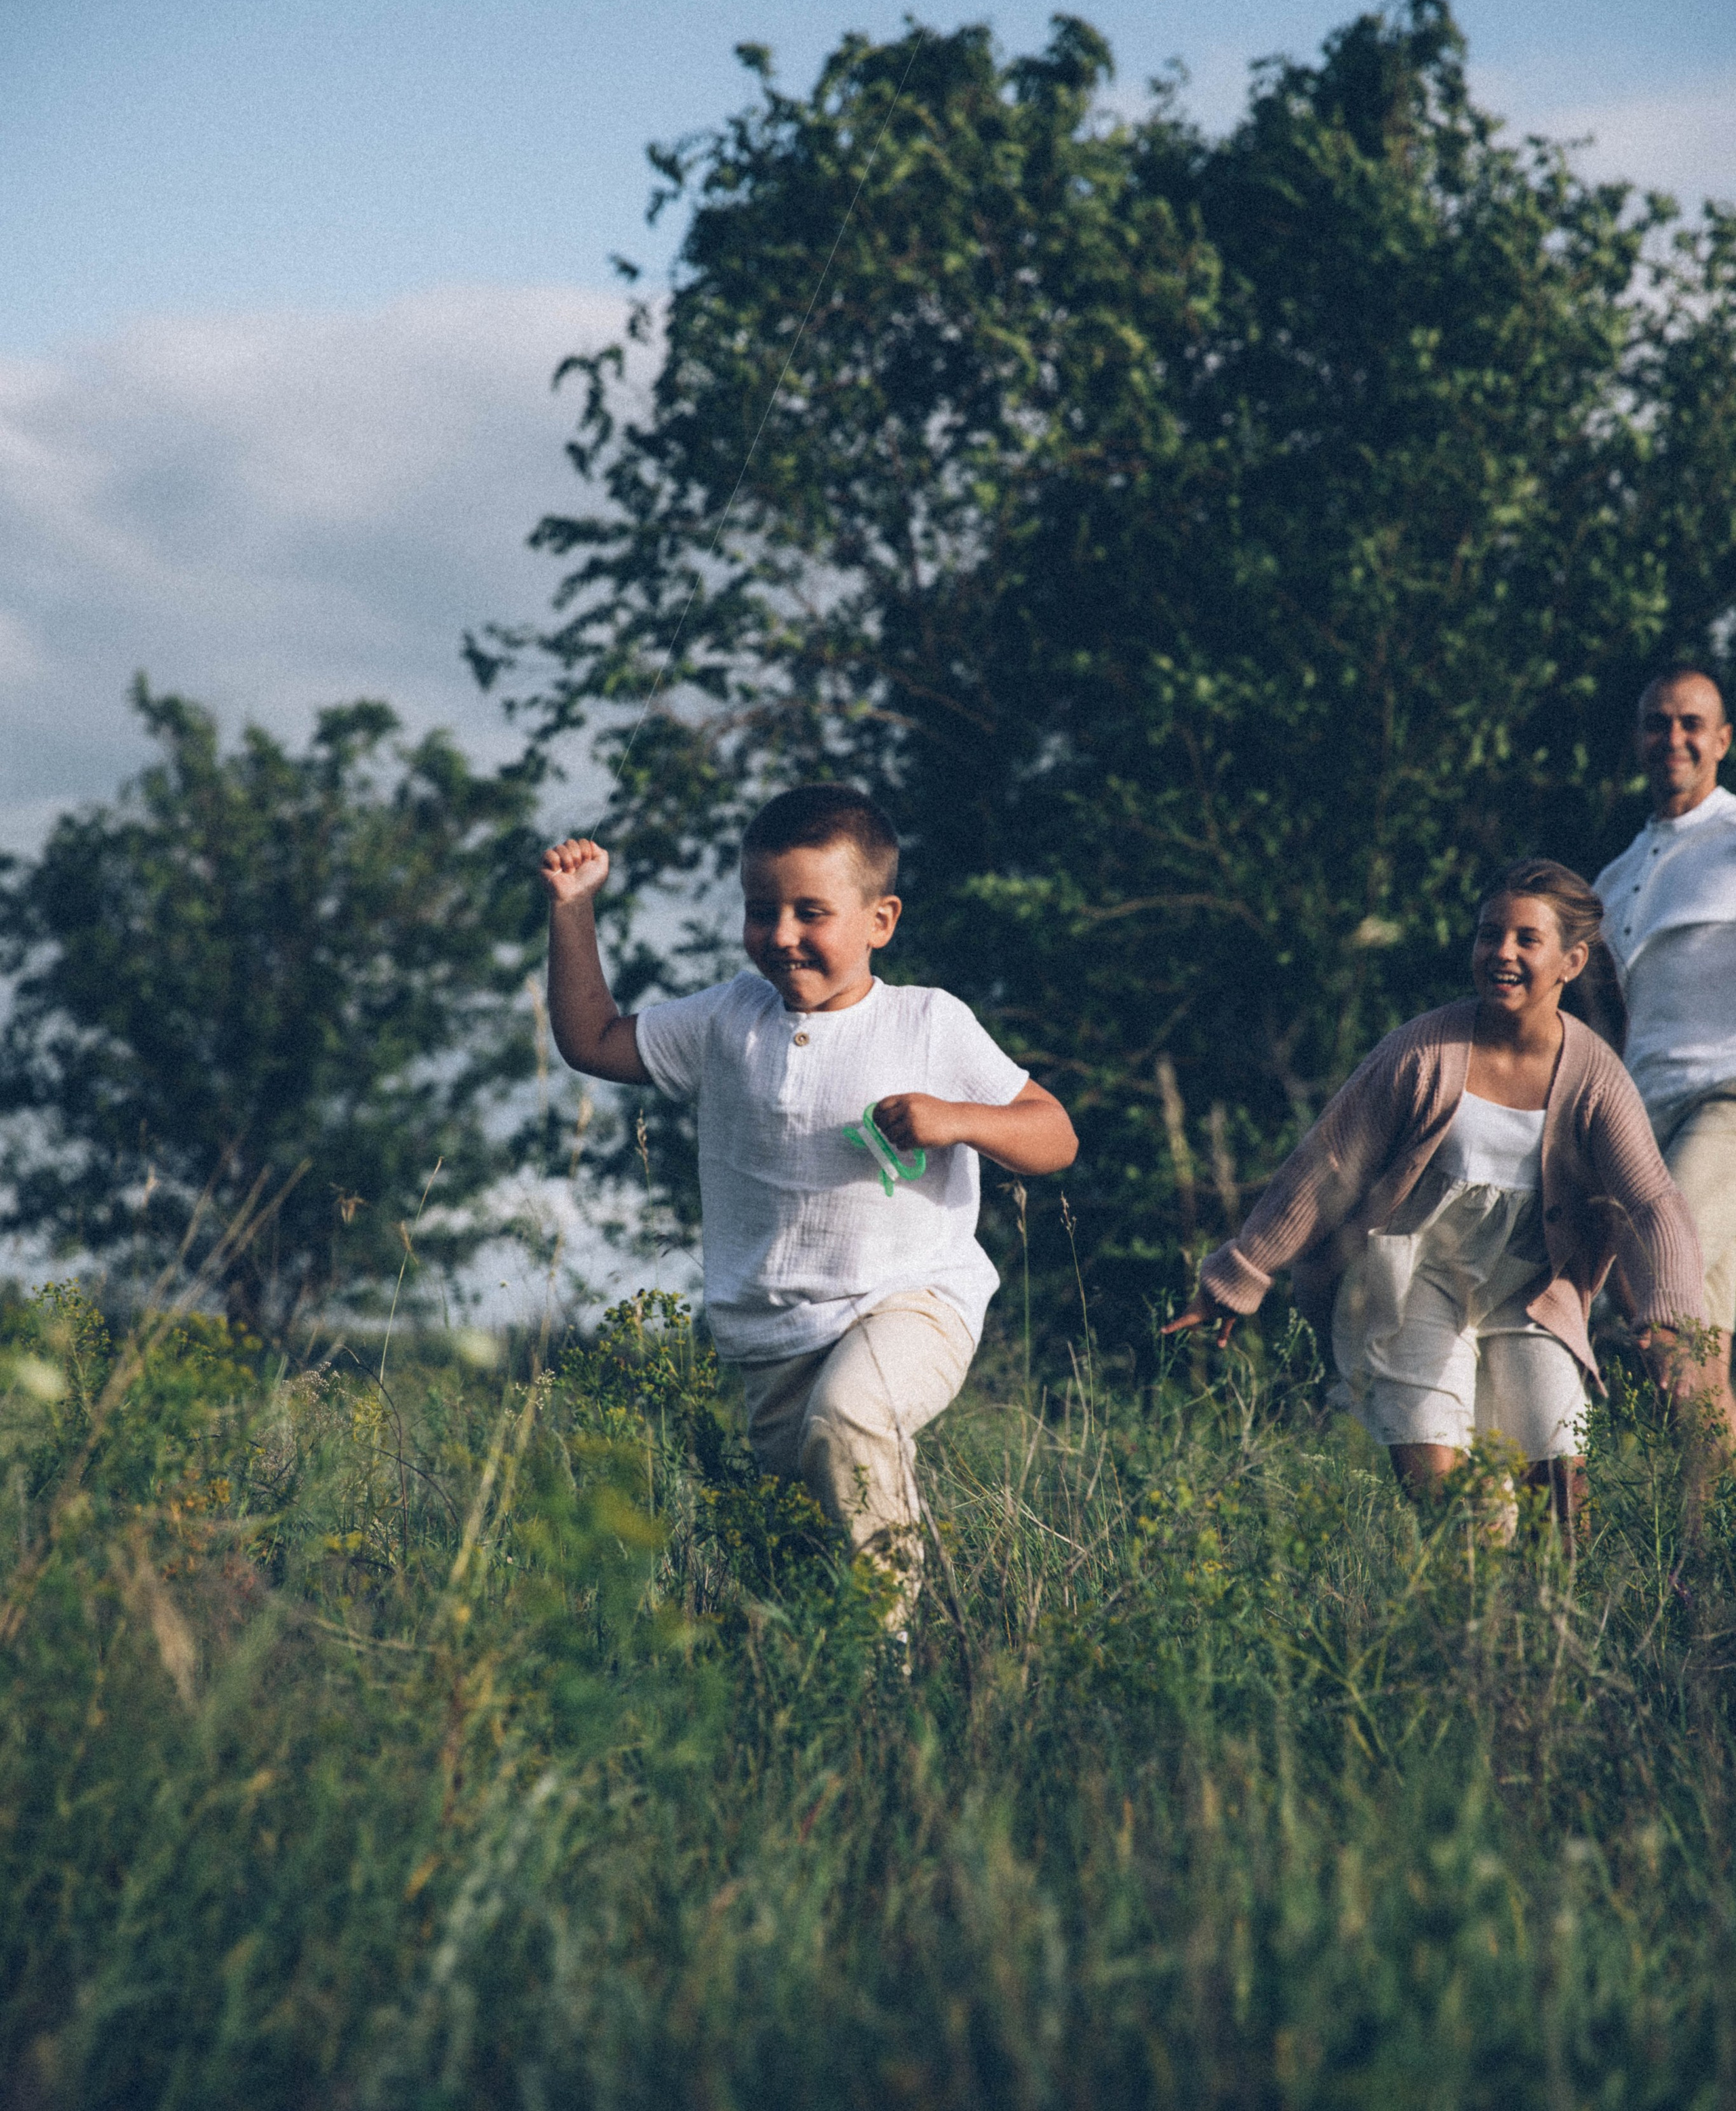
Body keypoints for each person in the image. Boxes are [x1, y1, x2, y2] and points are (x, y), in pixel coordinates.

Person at [539, 785, 1078, 1629]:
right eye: (763, 910)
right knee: (804, 1529)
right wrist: (573, 911)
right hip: (771, 1331)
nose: (782, 934)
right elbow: (594, 1041)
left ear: (880, 920)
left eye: (810, 911)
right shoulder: (727, 1019)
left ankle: (887, 1659)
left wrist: (955, 1119)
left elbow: (1054, 1135)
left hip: (913, 1302)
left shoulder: (926, 1022)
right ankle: (829, 1676)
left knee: (852, 1418)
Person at [1164, 861, 1705, 1528]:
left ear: (1571, 960)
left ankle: (1542, 1628)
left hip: (1529, 1291)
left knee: (1560, 1501)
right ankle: (1473, 1619)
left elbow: (1650, 1200)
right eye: (1488, 935)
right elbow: (1327, 1165)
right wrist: (1239, 1274)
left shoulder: (1593, 1073)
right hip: (1410, 1281)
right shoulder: (1424, 1052)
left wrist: (1666, 1315)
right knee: (1463, 1513)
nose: (1500, 953)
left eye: (1524, 940)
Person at [1595, 661, 1736, 1438]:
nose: (1673, 738)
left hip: (1727, 1102)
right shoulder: (1612, 879)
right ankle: (1705, 1551)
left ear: (1722, 739)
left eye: (1691, 724)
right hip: (1647, 1118)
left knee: (1658, 1293)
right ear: (1639, 738)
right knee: (1696, 1349)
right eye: (1658, 723)